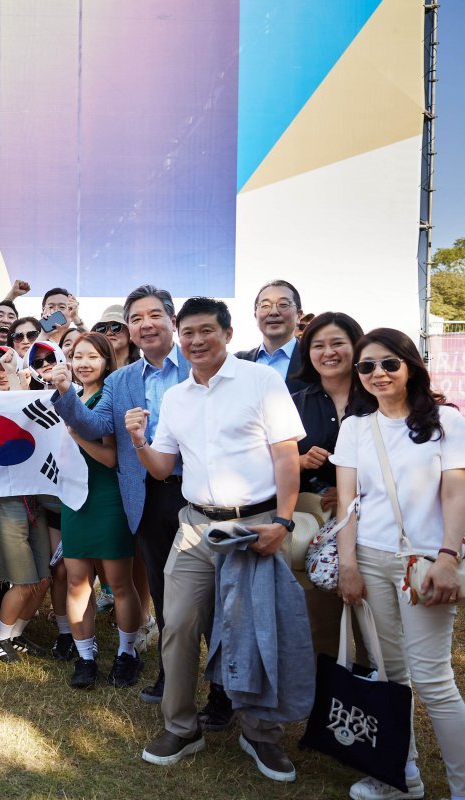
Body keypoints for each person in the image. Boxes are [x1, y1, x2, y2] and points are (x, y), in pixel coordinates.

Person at [127, 297, 305, 782]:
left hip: (257, 525)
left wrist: (283, 522)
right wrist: (141, 440)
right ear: (180, 339)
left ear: (227, 333)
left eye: (207, 330)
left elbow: (286, 457)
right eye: (188, 333)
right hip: (196, 526)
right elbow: (163, 467)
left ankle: (261, 733)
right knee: (179, 623)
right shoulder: (178, 397)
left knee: (257, 629)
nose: (197, 340)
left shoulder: (261, 381)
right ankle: (182, 726)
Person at [333, 328, 465, 800]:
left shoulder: (446, 420)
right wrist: (348, 564)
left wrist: (449, 556)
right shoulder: (354, 427)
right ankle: (402, 777)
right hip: (369, 559)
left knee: (433, 679)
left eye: (389, 363)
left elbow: (455, 492)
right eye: (366, 366)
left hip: (424, 562)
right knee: (390, 677)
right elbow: (347, 502)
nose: (377, 374)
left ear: (410, 365)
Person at [51, 285, 190, 705]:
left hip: (199, 492)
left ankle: (217, 687)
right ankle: (167, 673)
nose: (144, 324)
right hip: (146, 493)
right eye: (136, 318)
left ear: (172, 321)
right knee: (165, 591)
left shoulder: (198, 368)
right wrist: (64, 396)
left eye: (153, 316)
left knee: (202, 592)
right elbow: (94, 425)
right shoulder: (122, 380)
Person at [52, 333, 143, 688]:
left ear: (107, 361)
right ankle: (85, 657)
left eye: (92, 356)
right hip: (74, 500)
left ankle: (126, 653)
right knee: (77, 582)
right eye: (77, 356)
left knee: (119, 583)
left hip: (108, 499)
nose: (84, 363)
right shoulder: (64, 397)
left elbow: (111, 458)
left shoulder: (111, 397)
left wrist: (77, 436)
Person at [290, 311, 365, 660]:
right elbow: (271, 461)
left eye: (338, 343)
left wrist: (353, 489)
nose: (328, 352)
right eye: (317, 345)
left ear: (356, 346)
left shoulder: (375, 397)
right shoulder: (296, 403)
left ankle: (373, 679)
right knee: (320, 616)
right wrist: (300, 462)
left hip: (370, 524)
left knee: (372, 616)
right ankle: (328, 683)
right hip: (314, 525)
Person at [0, 346, 51, 663]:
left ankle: (16, 635)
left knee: (43, 578)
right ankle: (0, 639)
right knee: (23, 580)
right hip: (7, 503)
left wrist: (15, 382)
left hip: (36, 500)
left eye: (5, 368)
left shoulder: (34, 400)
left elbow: (26, 415)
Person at [236, 280, 308, 391]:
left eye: (283, 305)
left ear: (299, 316)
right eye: (265, 305)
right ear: (256, 315)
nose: (273, 312)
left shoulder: (312, 361)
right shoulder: (238, 362)